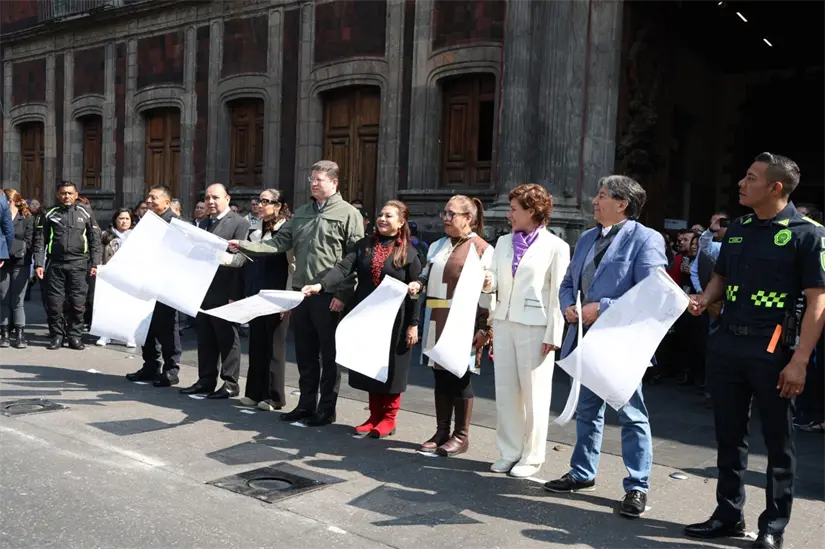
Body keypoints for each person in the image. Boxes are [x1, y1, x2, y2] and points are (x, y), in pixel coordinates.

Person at [684, 153, 825, 549]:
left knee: (779, 443)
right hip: (728, 342)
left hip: (775, 348)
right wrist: (703, 298)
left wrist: (799, 362)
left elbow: (818, 302)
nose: (741, 184)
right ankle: (728, 515)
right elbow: (721, 279)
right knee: (729, 436)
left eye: (751, 178)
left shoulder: (807, 234)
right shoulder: (740, 228)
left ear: (775, 187)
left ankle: (773, 527)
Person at [543, 175, 667, 520]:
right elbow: (568, 282)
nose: (594, 202)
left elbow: (652, 292)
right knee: (587, 410)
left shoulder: (646, 239)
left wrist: (602, 307)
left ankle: (637, 485)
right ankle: (582, 472)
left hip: (620, 342)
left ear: (622, 204)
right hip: (583, 338)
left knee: (630, 414)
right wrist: (569, 306)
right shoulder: (585, 238)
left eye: (601, 196)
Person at [227, 160, 364, 426]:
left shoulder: (348, 214)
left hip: (330, 295)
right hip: (302, 293)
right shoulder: (302, 213)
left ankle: (326, 409)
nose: (313, 183)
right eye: (311, 179)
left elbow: (354, 258)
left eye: (319, 179)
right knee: (305, 354)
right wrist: (244, 246)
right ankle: (305, 404)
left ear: (334, 183)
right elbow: (278, 243)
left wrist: (343, 294)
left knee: (330, 356)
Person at [303, 200, 422, 437]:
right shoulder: (364, 246)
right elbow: (343, 269)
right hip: (367, 316)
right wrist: (320, 285)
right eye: (380, 214)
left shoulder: (409, 252)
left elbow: (417, 292)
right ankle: (374, 415)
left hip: (395, 320)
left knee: (392, 367)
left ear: (401, 222)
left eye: (389, 216)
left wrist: (413, 324)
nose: (382, 219)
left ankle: (389, 418)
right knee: (370, 365)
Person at [481, 184, 570, 478]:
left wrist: (553, 335)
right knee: (505, 391)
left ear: (532, 211)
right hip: (505, 321)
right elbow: (494, 277)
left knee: (535, 393)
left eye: (514, 209)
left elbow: (559, 293)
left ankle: (532, 456)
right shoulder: (504, 242)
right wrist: (486, 281)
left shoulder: (556, 246)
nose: (509, 214)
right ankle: (509, 451)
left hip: (536, 325)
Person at [407, 195, 493, 456]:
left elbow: (488, 293)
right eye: (444, 213)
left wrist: (484, 328)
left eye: (451, 214)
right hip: (436, 317)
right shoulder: (437, 245)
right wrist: (418, 285)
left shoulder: (482, 248)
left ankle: (461, 435)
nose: (445, 218)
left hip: (463, 321)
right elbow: (425, 274)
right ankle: (442, 430)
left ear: (468, 218)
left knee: (459, 376)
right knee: (440, 376)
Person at [223, 189, 294, 411]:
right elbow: (240, 261)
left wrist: (288, 298)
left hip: (277, 295)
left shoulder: (287, 231)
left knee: (274, 347)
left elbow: (293, 267)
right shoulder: (254, 231)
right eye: (259, 201)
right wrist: (216, 254)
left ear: (279, 205)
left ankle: (274, 396)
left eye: (266, 201)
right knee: (256, 344)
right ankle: (254, 392)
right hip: (256, 293)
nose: (260, 205)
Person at [181, 184, 249, 398]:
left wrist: (212, 254)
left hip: (226, 290)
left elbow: (241, 260)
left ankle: (230, 383)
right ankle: (206, 379)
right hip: (204, 289)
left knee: (227, 337)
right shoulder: (205, 223)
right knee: (205, 337)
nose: (210, 201)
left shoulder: (239, 223)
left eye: (215, 197)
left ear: (227, 198)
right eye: (207, 197)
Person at [33, 181, 102, 350]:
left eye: (70, 193)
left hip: (79, 264)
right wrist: (39, 263)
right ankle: (57, 335)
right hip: (55, 264)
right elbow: (40, 240)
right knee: (55, 303)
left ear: (76, 194)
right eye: (63, 193)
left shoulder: (85, 213)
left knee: (78, 303)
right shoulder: (49, 213)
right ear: (58, 195)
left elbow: (95, 239)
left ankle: (75, 336)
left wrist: (95, 262)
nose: (67, 196)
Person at [126, 186, 183, 387]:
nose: (149, 201)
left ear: (167, 203)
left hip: (166, 285)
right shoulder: (147, 221)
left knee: (166, 327)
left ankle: (171, 370)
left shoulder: (176, 224)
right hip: (145, 282)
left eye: (154, 198)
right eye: (148, 197)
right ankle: (150, 365)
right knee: (146, 326)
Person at [95, 208, 136, 348]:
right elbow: (99, 254)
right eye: (121, 218)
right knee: (108, 305)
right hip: (110, 275)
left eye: (127, 219)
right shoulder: (106, 235)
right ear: (115, 220)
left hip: (130, 275)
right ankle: (106, 334)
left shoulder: (137, 235)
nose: (124, 221)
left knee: (128, 306)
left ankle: (129, 335)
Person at [0, 189, 34, 349]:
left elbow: (31, 239)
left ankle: (20, 334)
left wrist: (20, 250)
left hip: (21, 262)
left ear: (9, 201)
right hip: (3, 263)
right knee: (3, 298)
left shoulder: (27, 218)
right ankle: (4, 334)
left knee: (17, 300)